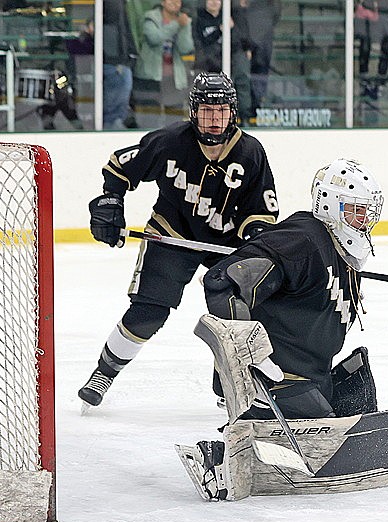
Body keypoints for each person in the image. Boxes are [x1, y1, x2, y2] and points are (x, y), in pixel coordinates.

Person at [78, 71, 279, 408]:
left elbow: (261, 210)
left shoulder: (250, 153)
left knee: (238, 314)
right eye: (206, 111)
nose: (214, 120)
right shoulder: (170, 141)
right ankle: (104, 373)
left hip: (226, 245)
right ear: (193, 111)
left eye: (221, 111)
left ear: (233, 111)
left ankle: (229, 385)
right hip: (172, 234)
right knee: (149, 310)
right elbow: (119, 167)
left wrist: (255, 238)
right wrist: (111, 202)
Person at [201, 158, 383, 420]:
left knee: (358, 389)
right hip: (277, 383)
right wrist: (251, 360)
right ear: (331, 205)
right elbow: (222, 282)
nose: (364, 220)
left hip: (311, 379)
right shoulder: (302, 240)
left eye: (367, 211)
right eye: (356, 210)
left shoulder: (338, 250)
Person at [193, 0, 253, 122]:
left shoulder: (230, 16)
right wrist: (220, 30)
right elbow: (203, 42)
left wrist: (231, 29)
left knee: (241, 82)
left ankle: (244, 117)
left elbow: (238, 41)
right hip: (210, 64)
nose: (214, 2)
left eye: (218, 0)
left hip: (231, 60)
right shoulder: (199, 20)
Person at [133, 0, 194, 113]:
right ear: (163, 2)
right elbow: (154, 38)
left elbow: (185, 49)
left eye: (178, 1)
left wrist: (184, 27)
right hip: (151, 75)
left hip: (174, 77)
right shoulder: (151, 17)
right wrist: (176, 25)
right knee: (150, 116)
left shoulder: (183, 20)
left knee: (174, 118)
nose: (175, 3)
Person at [102, 0, 137, 129]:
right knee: (119, 89)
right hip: (113, 59)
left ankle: (114, 121)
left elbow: (123, 27)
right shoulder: (113, 4)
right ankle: (112, 122)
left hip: (117, 57)